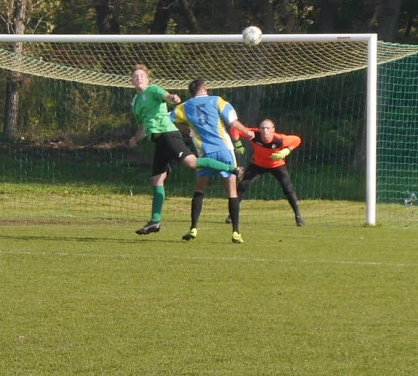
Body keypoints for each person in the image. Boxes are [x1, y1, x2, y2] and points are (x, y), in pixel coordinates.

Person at [128, 64, 234, 236]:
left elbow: (167, 96)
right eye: (135, 76)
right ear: (131, 81)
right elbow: (142, 128)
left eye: (141, 75)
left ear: (147, 80)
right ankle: (155, 222)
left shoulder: (153, 89)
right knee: (156, 180)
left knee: (192, 163)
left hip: (168, 135)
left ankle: (233, 169)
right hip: (158, 141)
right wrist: (135, 139)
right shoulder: (136, 103)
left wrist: (173, 98)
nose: (138, 78)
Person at [171, 78, 256, 243]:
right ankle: (236, 232)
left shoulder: (183, 107)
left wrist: (186, 129)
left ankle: (193, 228)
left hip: (205, 154)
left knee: (199, 190)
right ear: (205, 88)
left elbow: (167, 120)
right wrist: (248, 132)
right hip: (224, 151)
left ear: (190, 93)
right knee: (231, 191)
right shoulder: (217, 100)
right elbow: (233, 122)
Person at [231, 119, 305, 226]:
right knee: (243, 185)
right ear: (259, 129)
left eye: (268, 128)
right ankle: (232, 215)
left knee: (288, 188)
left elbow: (297, 140)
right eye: (263, 128)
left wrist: (287, 150)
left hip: (276, 165)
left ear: (273, 130)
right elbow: (234, 128)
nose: (265, 131)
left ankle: (298, 216)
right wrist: (237, 143)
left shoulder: (280, 140)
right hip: (257, 165)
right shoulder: (253, 134)